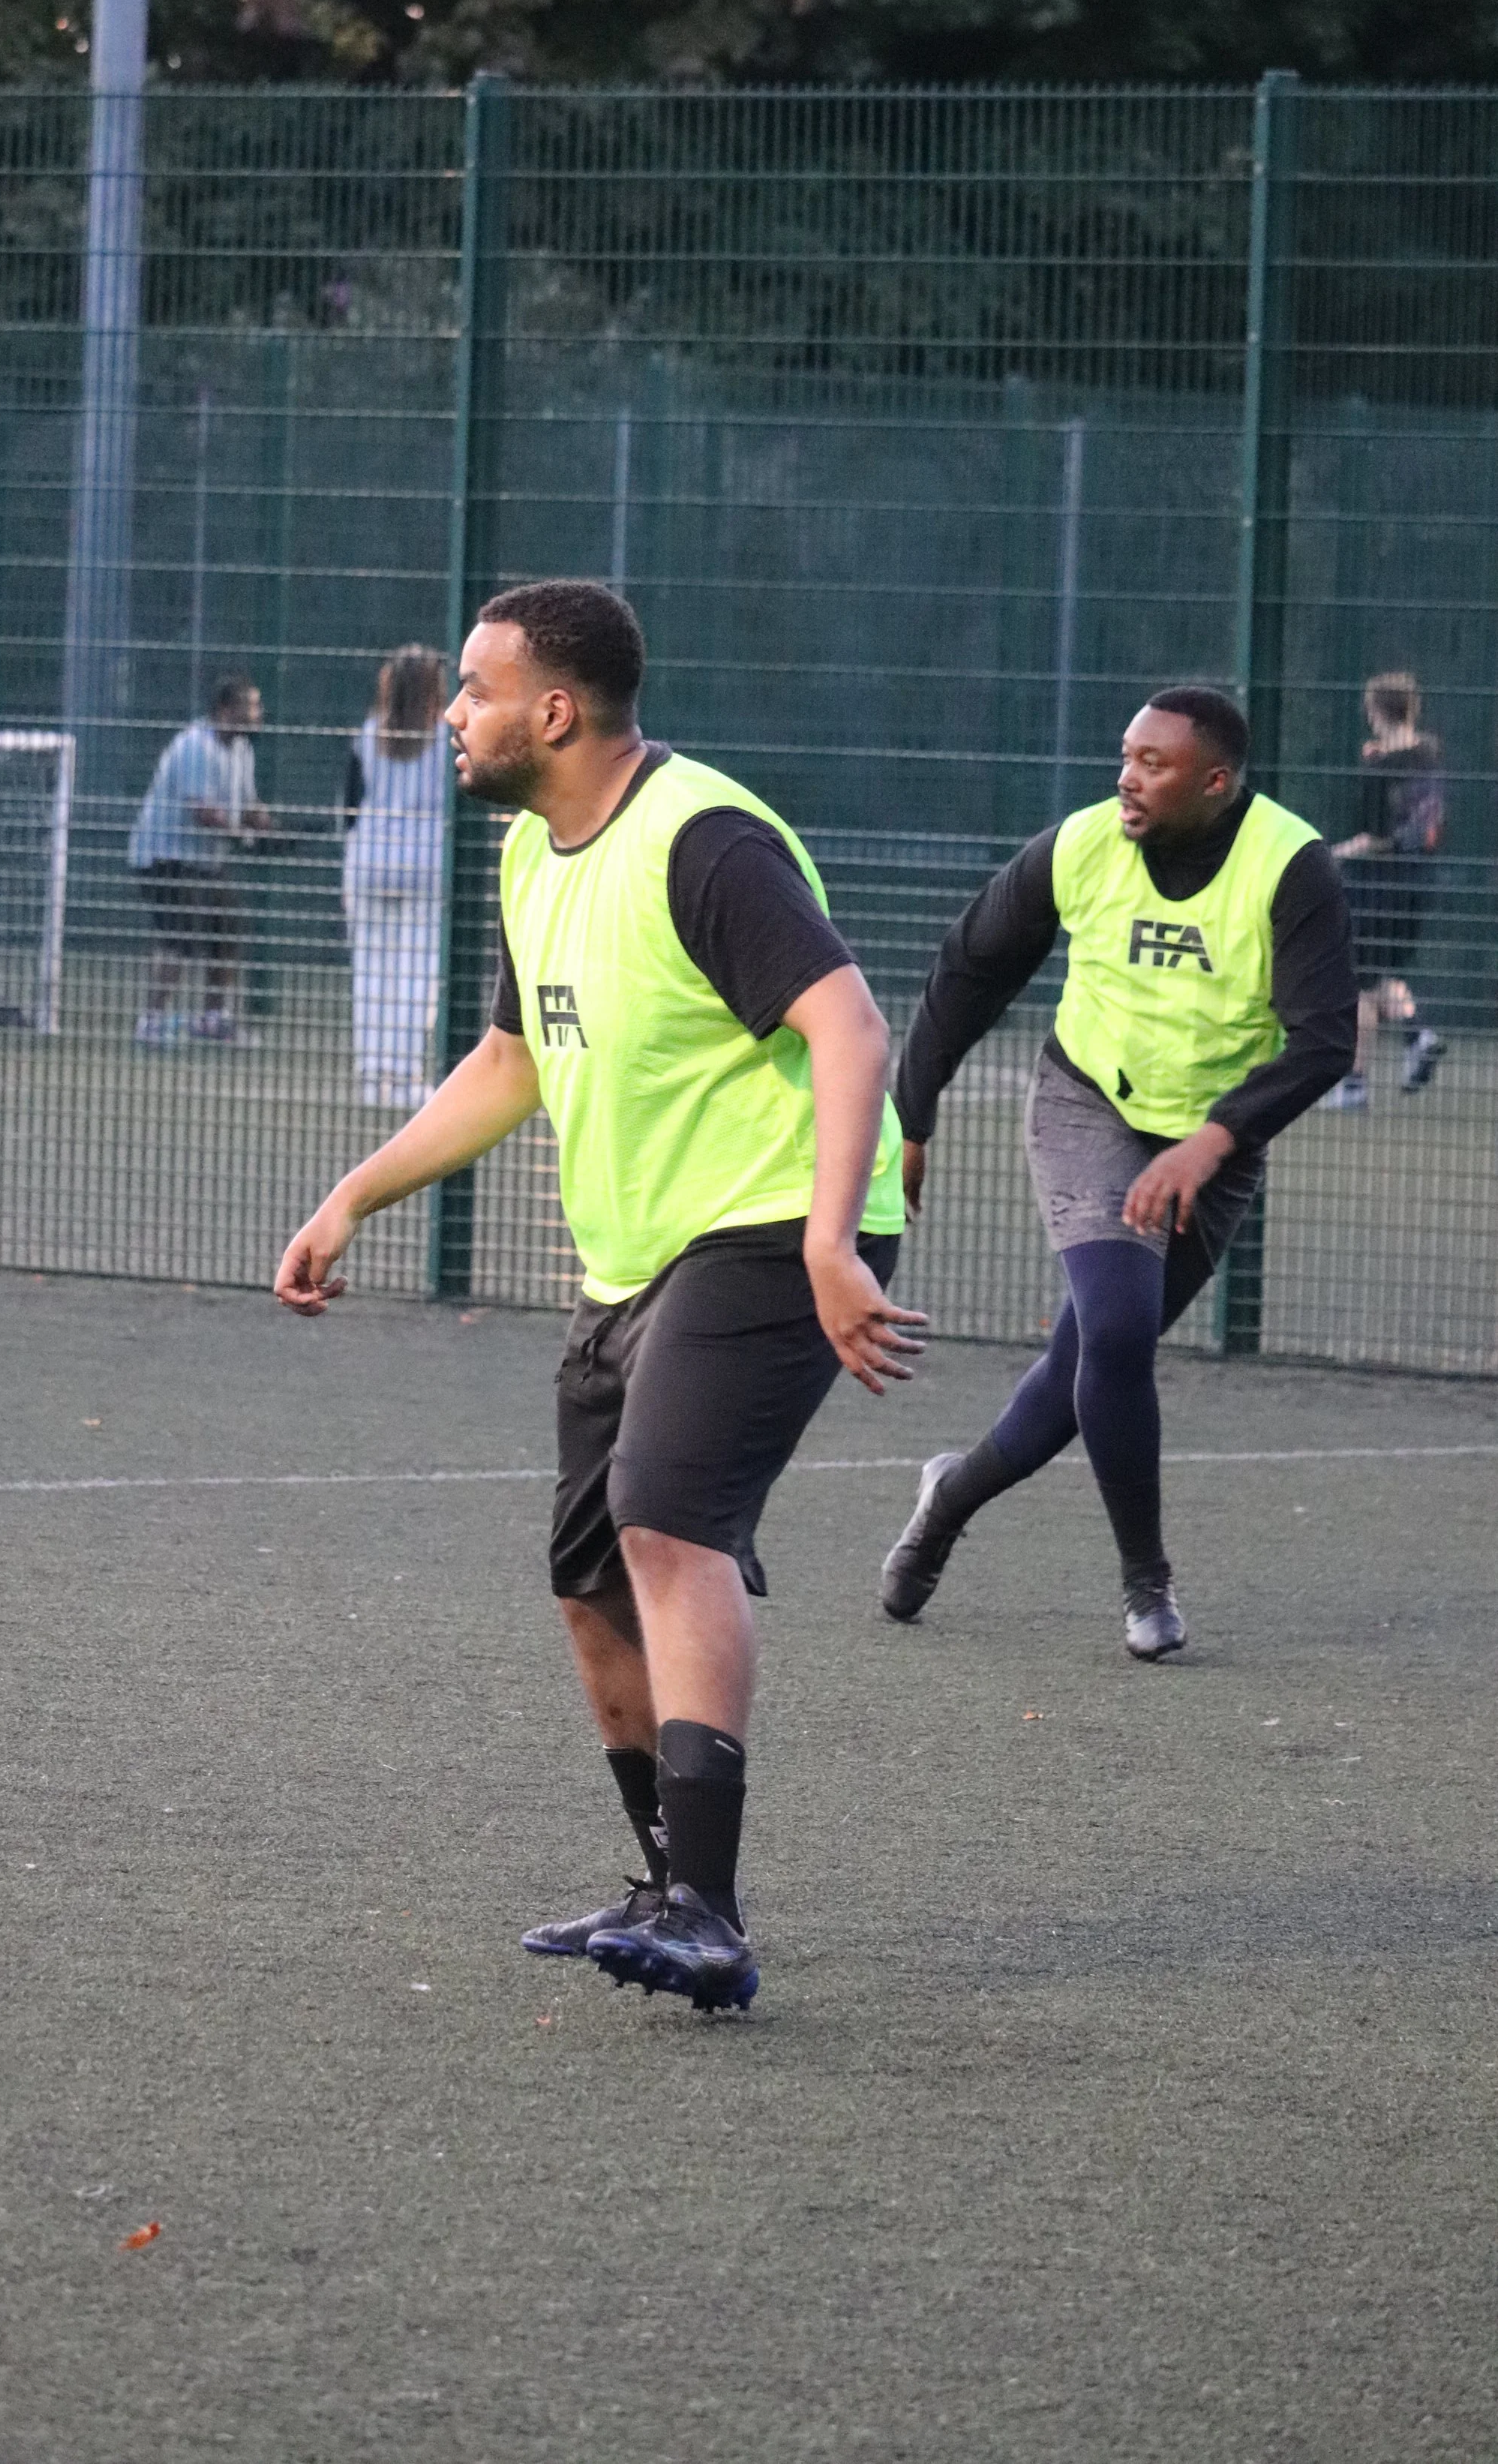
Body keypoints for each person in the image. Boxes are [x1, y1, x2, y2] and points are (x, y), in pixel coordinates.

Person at [277, 579, 922, 2015]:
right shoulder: (531, 851)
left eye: (474, 689)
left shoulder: (702, 840)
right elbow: (511, 1062)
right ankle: (662, 1885)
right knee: (587, 1581)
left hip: (774, 1227)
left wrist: (832, 1241)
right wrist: (353, 1197)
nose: (449, 715)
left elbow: (850, 1023)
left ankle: (708, 1912)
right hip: (637, 1257)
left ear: (553, 711)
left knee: (666, 1524)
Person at [883, 686, 1355, 1661]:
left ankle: (947, 1498)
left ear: (1216, 782)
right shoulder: (1084, 843)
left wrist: (1216, 1139)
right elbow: (971, 967)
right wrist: (912, 1118)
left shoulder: (1290, 868)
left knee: (1087, 1359)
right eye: (1126, 755)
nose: (1126, 776)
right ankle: (1148, 1583)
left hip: (1209, 1145)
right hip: (1086, 1102)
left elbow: (1325, 1042)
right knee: (1115, 1324)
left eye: (1154, 763)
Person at [1323, 670, 1447, 1111]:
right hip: (1418, 882)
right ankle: (1418, 1035)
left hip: (1378, 883)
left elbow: (1374, 837)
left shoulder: (1378, 767)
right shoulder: (1429, 755)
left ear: (1376, 712)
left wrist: (1333, 854)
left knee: (1358, 982)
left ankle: (1355, 1086)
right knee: (1381, 975)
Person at [127, 675, 271, 1046]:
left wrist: (272, 828)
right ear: (226, 710)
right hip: (164, 856)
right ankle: (152, 1022)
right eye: (250, 706)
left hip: (204, 861)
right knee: (179, 935)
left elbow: (249, 806)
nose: (258, 714)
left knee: (227, 930)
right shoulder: (195, 746)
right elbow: (204, 812)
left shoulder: (242, 750)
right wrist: (244, 835)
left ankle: (213, 1020)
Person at [343, 645, 451, 1109]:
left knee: (370, 966)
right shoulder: (450, 737)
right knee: (417, 969)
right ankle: (406, 1079)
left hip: (367, 859)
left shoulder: (367, 734)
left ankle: (372, 1076)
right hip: (426, 863)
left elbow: (348, 807)